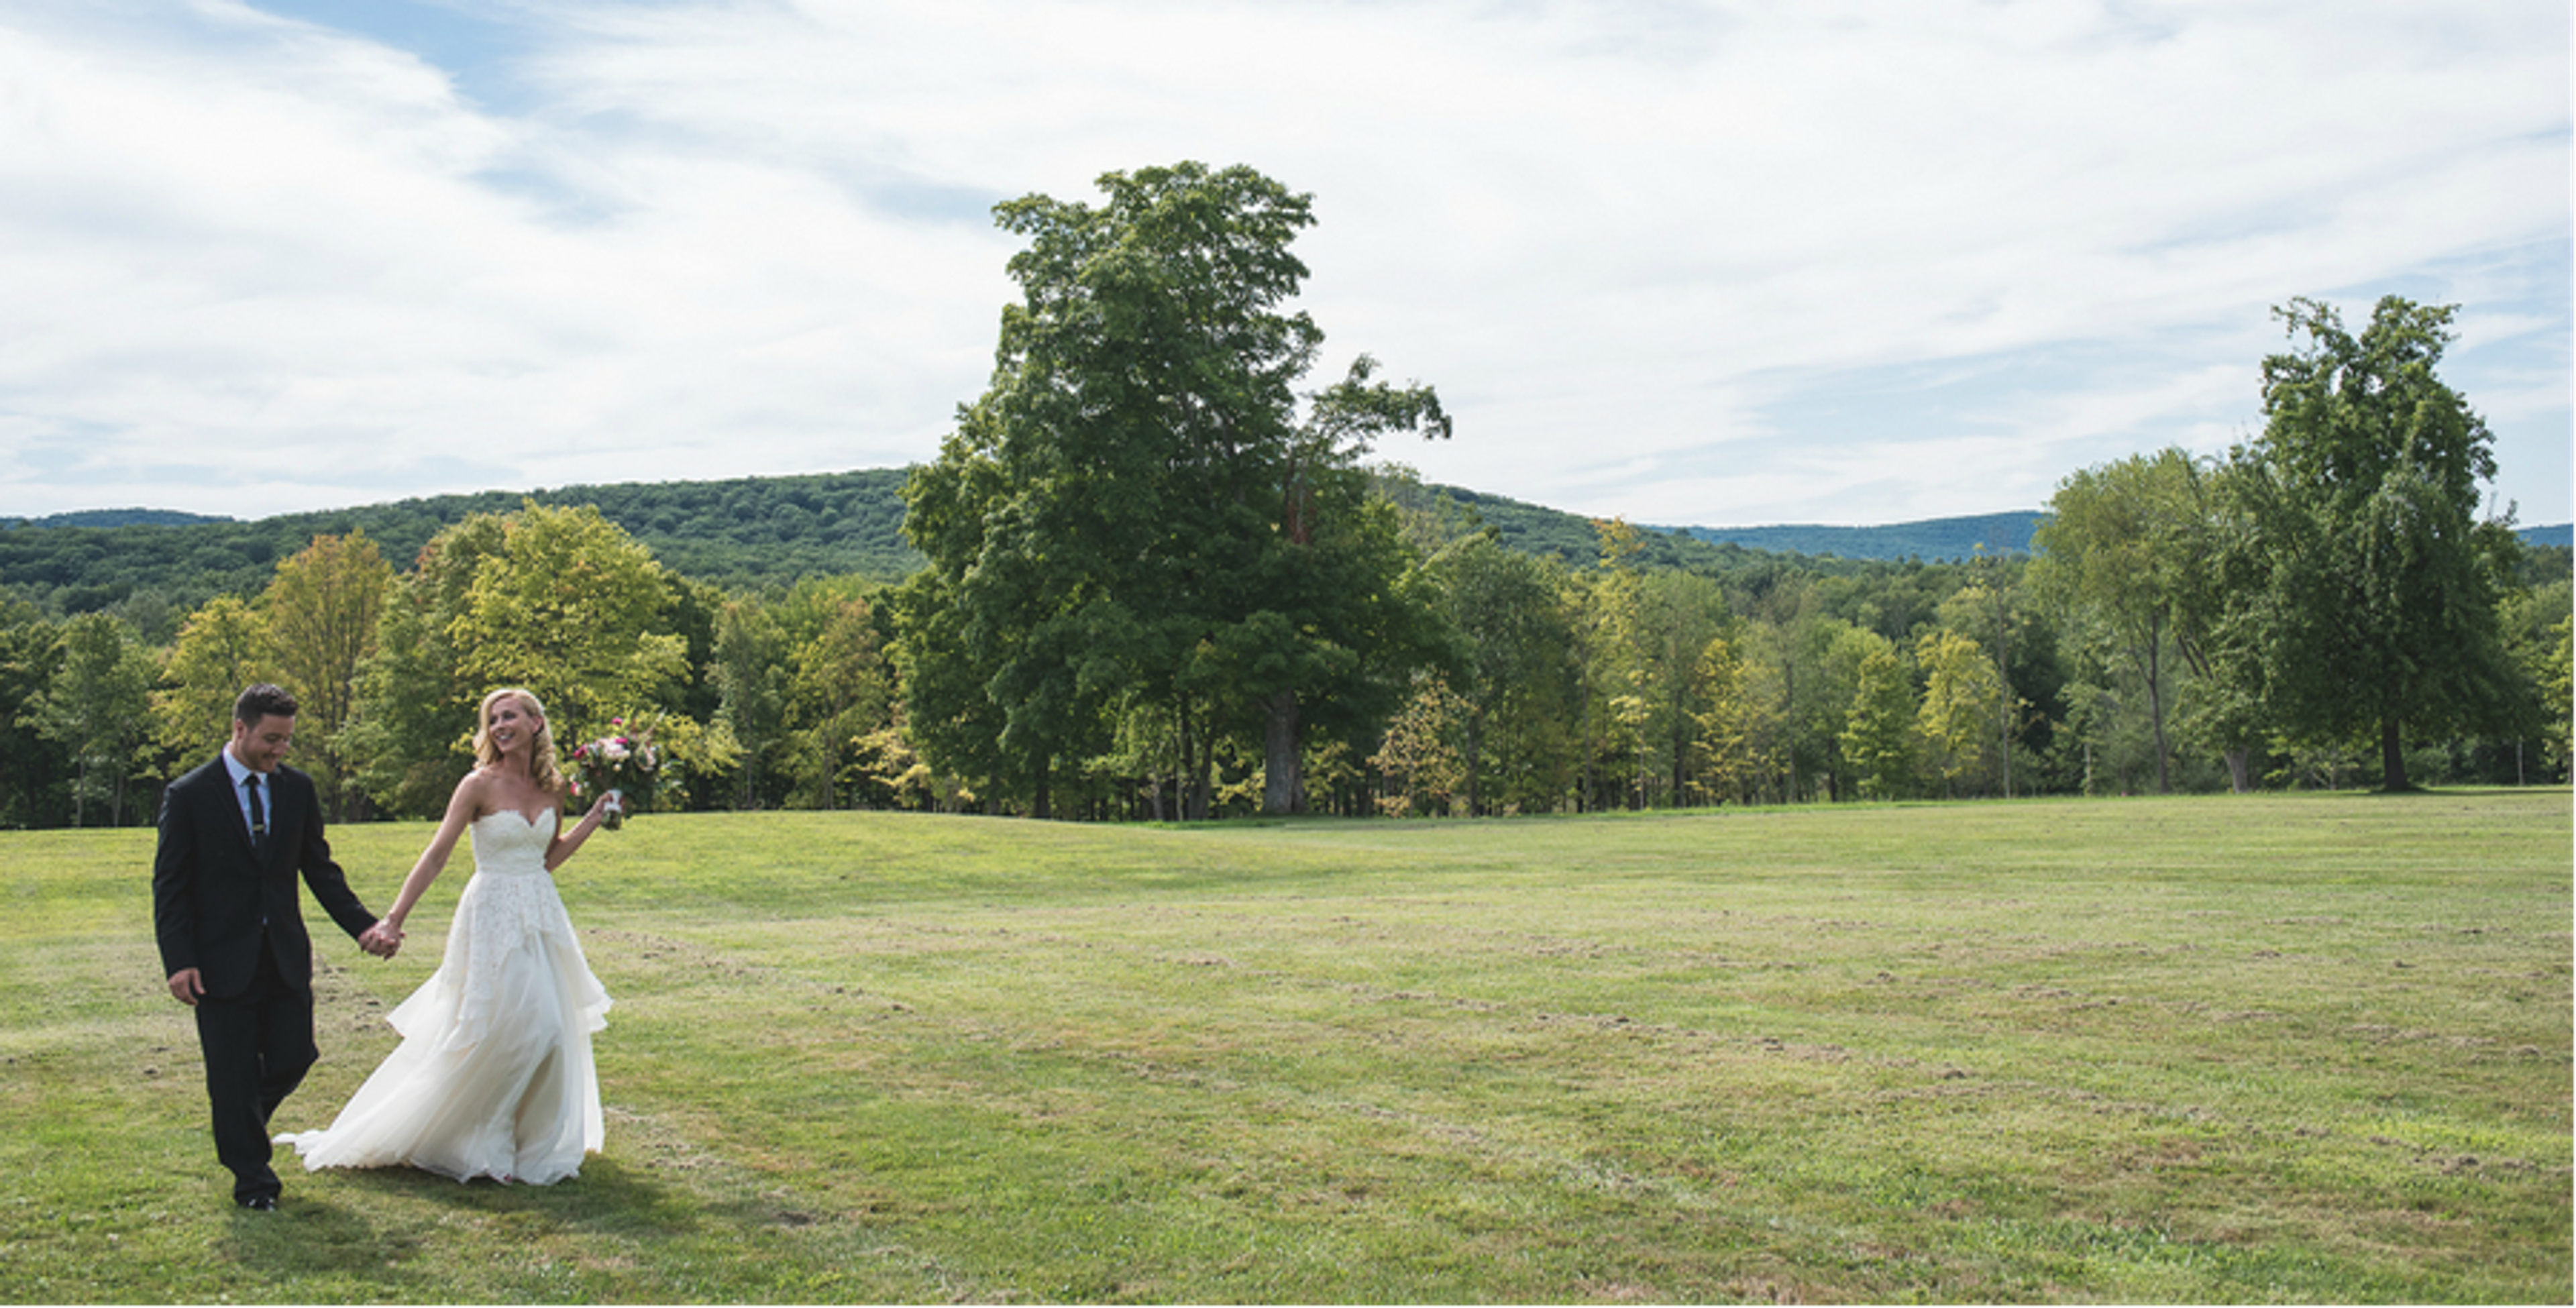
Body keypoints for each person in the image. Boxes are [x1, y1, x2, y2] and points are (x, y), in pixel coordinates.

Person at [277, 687, 619, 1185]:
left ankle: (529, 1144)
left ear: (536, 723)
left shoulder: (552, 786)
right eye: (493, 719)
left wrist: (592, 819)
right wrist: (393, 918)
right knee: (514, 1027)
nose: (501, 725)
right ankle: (483, 1144)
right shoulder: (477, 785)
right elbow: (436, 855)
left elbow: (545, 858)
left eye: (511, 717)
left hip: (541, 914)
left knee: (550, 1029)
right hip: (491, 914)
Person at [154, 683, 400, 1211]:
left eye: (287, 740)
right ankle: (253, 1182)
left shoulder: (297, 790)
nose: (279, 750)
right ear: (239, 728)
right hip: (218, 963)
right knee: (232, 1071)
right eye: (270, 739)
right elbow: (170, 888)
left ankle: (238, 1126)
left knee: (294, 1056)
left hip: (284, 955)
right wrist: (180, 961)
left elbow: (320, 870)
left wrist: (363, 927)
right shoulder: (189, 795)